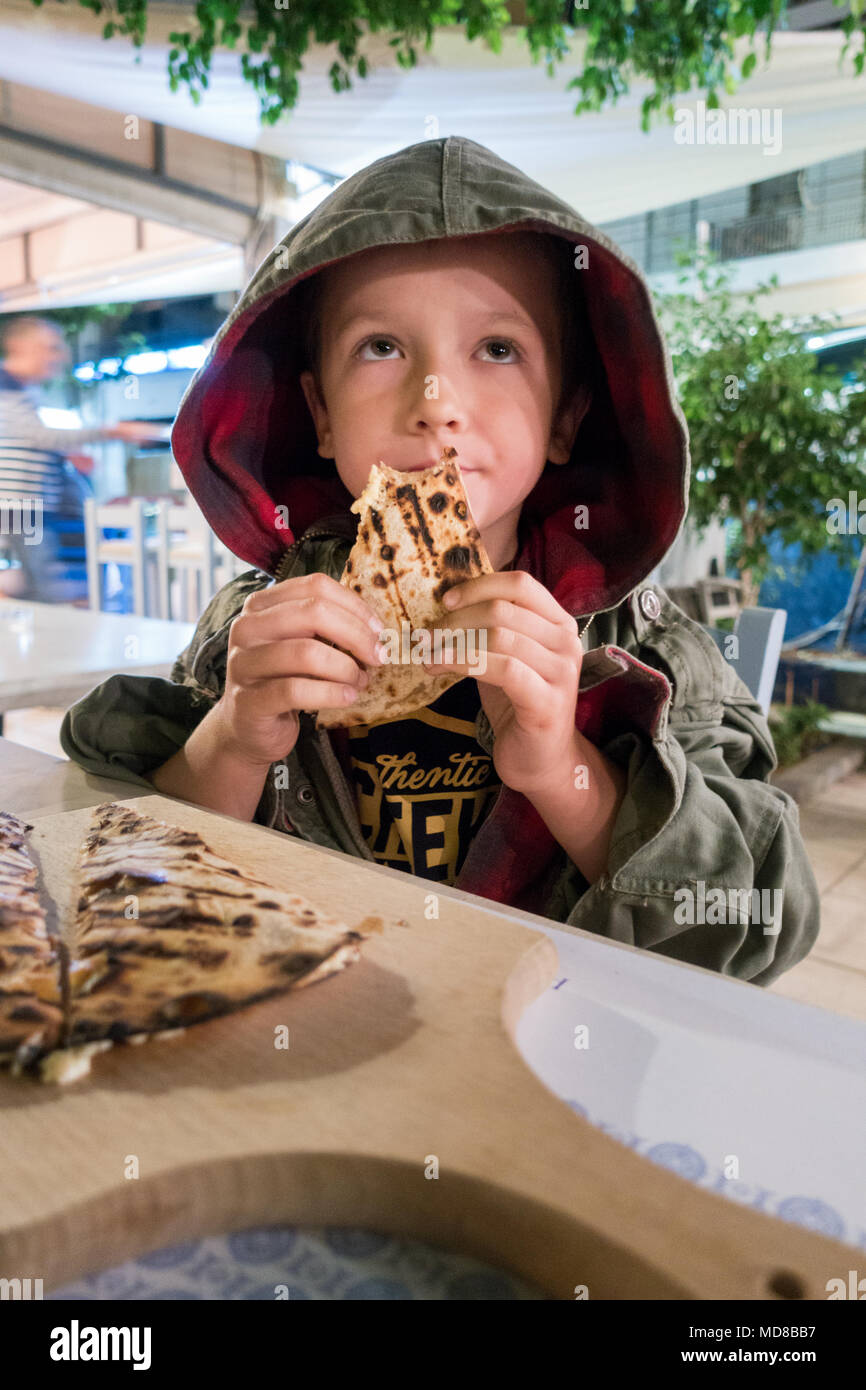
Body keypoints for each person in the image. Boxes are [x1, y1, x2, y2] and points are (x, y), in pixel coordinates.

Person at [60, 136, 819, 983]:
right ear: (318, 412)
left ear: (565, 417)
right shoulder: (256, 627)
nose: (436, 403)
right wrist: (234, 740)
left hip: (544, 1057)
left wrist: (567, 772)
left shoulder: (649, 652)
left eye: (497, 350)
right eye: (381, 347)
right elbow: (134, 885)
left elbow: (760, 926)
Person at [0, 315, 157, 601]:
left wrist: (63, 455)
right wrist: (114, 431)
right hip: (20, 506)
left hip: (26, 505)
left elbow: (24, 438)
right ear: (20, 345)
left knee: (41, 583)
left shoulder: (20, 389)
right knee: (45, 587)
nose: (57, 356)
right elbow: (38, 436)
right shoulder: (5, 385)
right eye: (50, 347)